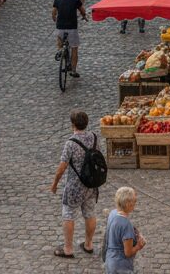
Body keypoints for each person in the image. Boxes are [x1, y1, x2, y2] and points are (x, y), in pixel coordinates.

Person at [50, 110, 100, 259]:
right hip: (91, 184)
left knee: (69, 214)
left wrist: (54, 184)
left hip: (74, 186)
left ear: (73, 124)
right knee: (90, 213)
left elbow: (62, 167)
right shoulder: (94, 137)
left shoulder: (70, 143)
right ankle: (88, 245)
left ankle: (68, 248)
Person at [105, 186, 145, 273]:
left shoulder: (113, 213)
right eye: (134, 201)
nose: (135, 203)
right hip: (120, 266)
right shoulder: (126, 225)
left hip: (110, 261)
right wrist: (139, 246)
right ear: (128, 204)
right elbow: (128, 253)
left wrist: (136, 232)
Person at [53, 0, 86, 77]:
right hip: (72, 27)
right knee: (74, 48)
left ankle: (59, 50)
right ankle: (73, 70)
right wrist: (84, 16)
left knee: (59, 38)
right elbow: (82, 10)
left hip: (60, 26)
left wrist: (54, 18)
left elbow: (53, 12)